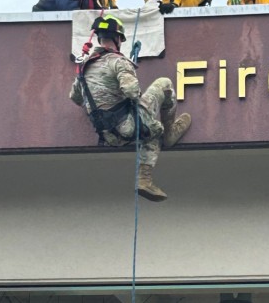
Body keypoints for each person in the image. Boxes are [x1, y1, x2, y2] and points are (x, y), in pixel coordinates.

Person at [69, 16, 192, 202]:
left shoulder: (85, 68)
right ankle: (166, 140)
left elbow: (75, 97)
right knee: (164, 88)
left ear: (100, 38)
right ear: (118, 39)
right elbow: (132, 91)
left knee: (147, 127)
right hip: (127, 125)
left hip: (108, 135)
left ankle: (146, 176)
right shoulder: (118, 61)